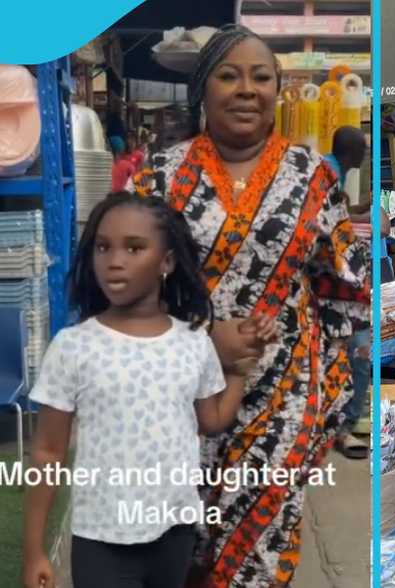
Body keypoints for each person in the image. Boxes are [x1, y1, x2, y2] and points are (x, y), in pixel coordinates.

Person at [129, 25, 370, 586]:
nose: (246, 89)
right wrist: (200, 339)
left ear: (276, 91)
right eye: (228, 76)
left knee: (261, 544)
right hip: (180, 391)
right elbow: (125, 283)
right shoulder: (159, 176)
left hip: (284, 391)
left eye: (260, 77)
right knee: (186, 541)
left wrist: (331, 386)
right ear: (203, 89)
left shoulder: (312, 177)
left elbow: (343, 284)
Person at [21, 193, 266, 588]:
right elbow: (48, 451)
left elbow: (211, 421)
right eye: (103, 247)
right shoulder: (74, 347)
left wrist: (239, 371)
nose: (114, 260)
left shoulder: (193, 343)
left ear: (166, 262)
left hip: (174, 531)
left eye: (134, 248)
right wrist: (34, 550)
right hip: (100, 537)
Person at [324, 126, 373, 459]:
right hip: (336, 285)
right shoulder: (327, 175)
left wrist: (357, 211)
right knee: (357, 353)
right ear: (352, 151)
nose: (365, 154)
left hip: (342, 285)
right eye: (363, 149)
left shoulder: (332, 171)